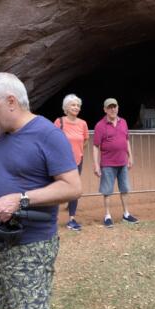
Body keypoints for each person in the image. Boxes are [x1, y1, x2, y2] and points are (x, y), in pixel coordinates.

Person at [0, 72, 82, 309]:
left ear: (11, 101)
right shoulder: (7, 132)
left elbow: (72, 187)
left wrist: (19, 199)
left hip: (29, 245)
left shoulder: (48, 134)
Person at [93, 98, 139, 228]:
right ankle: (107, 215)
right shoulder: (100, 125)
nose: (112, 109)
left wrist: (130, 156)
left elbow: (126, 140)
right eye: (110, 107)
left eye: (114, 107)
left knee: (124, 189)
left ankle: (126, 214)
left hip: (123, 162)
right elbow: (96, 146)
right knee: (107, 191)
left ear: (118, 108)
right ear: (105, 109)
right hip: (108, 163)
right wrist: (96, 165)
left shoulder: (123, 122)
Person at [53, 94, 89, 231]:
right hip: (61, 162)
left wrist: (77, 151)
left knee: (75, 190)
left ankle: (71, 219)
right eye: (73, 105)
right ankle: (52, 219)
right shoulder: (59, 122)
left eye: (78, 105)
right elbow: (52, 139)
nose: (76, 108)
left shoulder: (83, 123)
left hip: (77, 160)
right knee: (58, 189)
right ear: (66, 107)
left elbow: (85, 140)